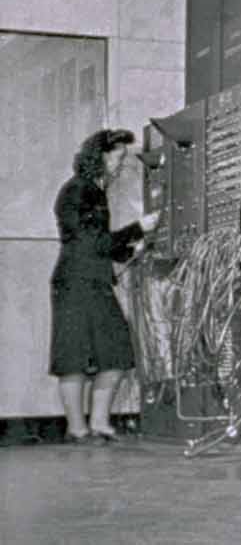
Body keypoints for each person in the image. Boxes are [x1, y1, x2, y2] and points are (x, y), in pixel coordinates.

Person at [50, 128, 160, 443]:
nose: (120, 163)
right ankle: (77, 429)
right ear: (99, 155)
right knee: (74, 358)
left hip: (93, 281)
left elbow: (100, 244)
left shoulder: (93, 192)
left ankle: (98, 424)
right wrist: (137, 228)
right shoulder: (78, 191)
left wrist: (129, 249)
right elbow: (91, 242)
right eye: (117, 156)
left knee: (115, 353)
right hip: (75, 282)